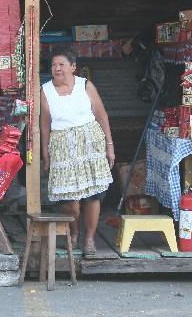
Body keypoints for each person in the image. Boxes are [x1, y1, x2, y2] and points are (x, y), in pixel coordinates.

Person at [40, 49, 114, 255]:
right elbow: (44, 125)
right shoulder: (45, 91)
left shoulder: (85, 85)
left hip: (90, 144)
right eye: (54, 65)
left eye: (61, 64)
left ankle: (89, 239)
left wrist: (110, 145)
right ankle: (74, 232)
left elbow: (102, 115)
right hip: (62, 146)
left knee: (93, 195)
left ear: (73, 67)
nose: (57, 69)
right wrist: (45, 154)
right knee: (70, 200)